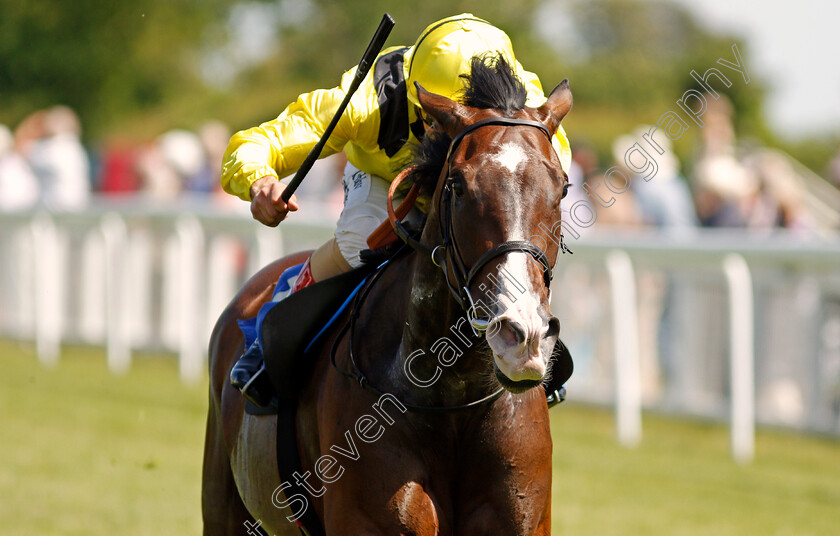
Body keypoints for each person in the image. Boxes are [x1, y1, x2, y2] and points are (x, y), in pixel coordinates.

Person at [221, 13, 572, 405]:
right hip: (386, 179)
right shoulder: (367, 103)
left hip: (477, 189)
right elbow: (258, 142)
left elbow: (550, 173)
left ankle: (531, 337)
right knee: (361, 239)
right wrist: (258, 182)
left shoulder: (526, 105)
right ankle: (279, 316)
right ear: (421, 103)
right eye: (444, 122)